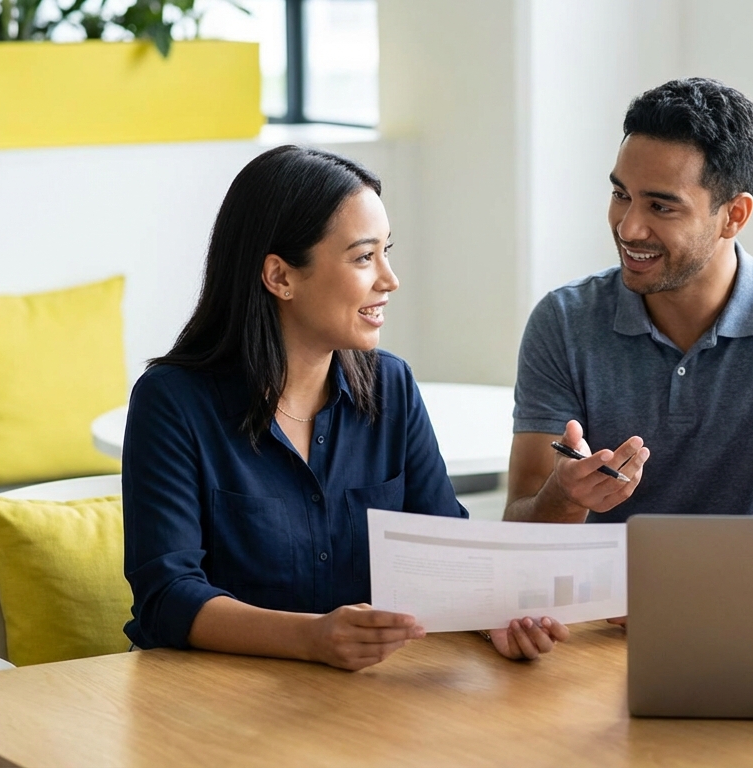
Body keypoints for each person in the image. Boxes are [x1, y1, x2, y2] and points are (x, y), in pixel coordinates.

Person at [123, 145, 567, 669]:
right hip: (206, 703)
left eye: (387, 251)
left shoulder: (392, 387)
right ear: (280, 276)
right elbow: (168, 596)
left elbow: (446, 555)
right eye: (363, 257)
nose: (389, 279)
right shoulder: (172, 401)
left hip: (359, 700)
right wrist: (311, 638)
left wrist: (496, 617)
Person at [505, 78, 753, 527]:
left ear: (734, 216)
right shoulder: (563, 320)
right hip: (599, 594)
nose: (628, 228)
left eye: (661, 207)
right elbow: (521, 528)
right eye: (621, 195)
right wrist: (564, 496)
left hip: (749, 594)